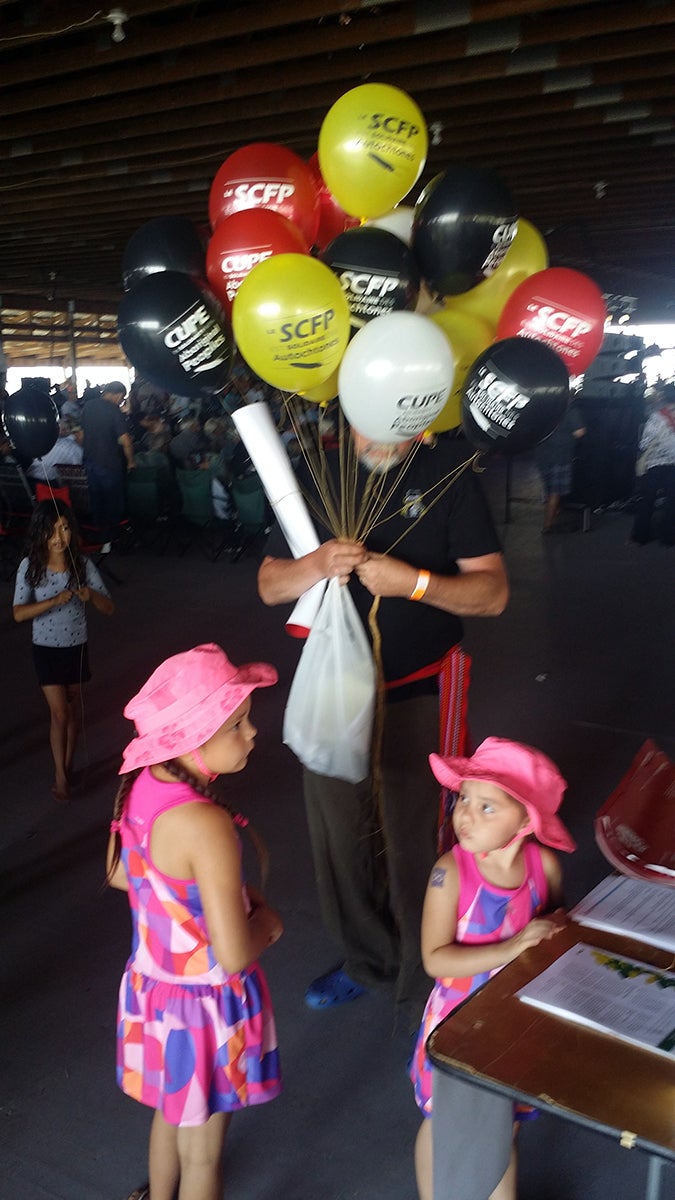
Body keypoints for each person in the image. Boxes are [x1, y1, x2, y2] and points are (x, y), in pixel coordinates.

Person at [258, 429, 508, 1030]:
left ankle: (431, 973)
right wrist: (315, 565)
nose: (381, 429)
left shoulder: (448, 470)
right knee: (340, 835)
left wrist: (414, 583)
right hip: (334, 689)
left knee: (418, 837)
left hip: (420, 688)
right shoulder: (317, 471)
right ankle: (369, 960)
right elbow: (271, 584)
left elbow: (492, 592)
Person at [106, 643, 283, 1200]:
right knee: (203, 1154)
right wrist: (269, 923)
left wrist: (205, 893)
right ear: (191, 739)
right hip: (205, 1008)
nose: (252, 733)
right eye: (237, 724)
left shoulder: (141, 786)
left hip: (154, 992)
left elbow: (120, 873)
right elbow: (233, 954)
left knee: (172, 1111)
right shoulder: (204, 823)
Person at [410, 737, 575, 1200]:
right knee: (446, 1122)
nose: (464, 814)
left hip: (517, 1025)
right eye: (464, 798)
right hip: (459, 1027)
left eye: (487, 807)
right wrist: (512, 947)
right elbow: (435, 959)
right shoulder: (451, 874)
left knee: (503, 1123)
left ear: (527, 819)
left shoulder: (545, 867)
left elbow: (555, 931)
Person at [12, 499, 114, 801]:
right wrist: (52, 602)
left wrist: (90, 595)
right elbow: (18, 613)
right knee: (59, 714)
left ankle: (67, 766)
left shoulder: (82, 565)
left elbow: (109, 607)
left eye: (65, 528)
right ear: (40, 533)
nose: (60, 537)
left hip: (76, 647)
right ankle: (60, 775)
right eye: (53, 530)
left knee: (70, 713)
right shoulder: (30, 566)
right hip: (45, 649)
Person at [81, 380, 135, 550]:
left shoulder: (88, 406)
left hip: (89, 461)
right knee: (113, 503)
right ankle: (112, 540)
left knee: (97, 501)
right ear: (119, 395)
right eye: (121, 398)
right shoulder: (114, 411)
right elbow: (125, 440)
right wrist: (131, 462)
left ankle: (101, 539)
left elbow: (82, 434)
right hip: (109, 463)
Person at [630, 381, 675, 546]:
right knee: (672, 501)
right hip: (674, 464)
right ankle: (669, 538)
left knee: (647, 499)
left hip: (655, 463)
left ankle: (641, 536)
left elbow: (644, 442)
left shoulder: (656, 417)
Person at [534, 399, 586, 532]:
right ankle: (548, 525)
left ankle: (554, 513)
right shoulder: (570, 410)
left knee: (549, 488)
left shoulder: (543, 409)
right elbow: (579, 432)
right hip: (560, 455)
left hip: (542, 454)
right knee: (555, 492)